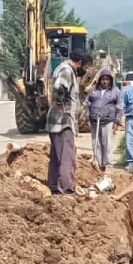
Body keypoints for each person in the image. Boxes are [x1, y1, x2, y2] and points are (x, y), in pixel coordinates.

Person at [46, 54, 78, 195]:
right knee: (67, 157)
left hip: (56, 121)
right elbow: (60, 86)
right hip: (63, 121)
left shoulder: (60, 68)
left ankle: (54, 185)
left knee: (56, 155)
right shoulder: (67, 70)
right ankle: (65, 188)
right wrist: (60, 102)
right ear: (80, 62)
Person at [85, 67, 123, 172]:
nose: (105, 81)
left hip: (108, 121)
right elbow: (87, 104)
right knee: (95, 143)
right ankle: (99, 164)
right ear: (100, 80)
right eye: (103, 79)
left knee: (107, 143)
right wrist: (87, 117)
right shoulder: (93, 90)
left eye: (107, 79)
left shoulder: (116, 91)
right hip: (94, 121)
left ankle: (108, 164)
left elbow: (120, 107)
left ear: (110, 80)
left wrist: (117, 121)